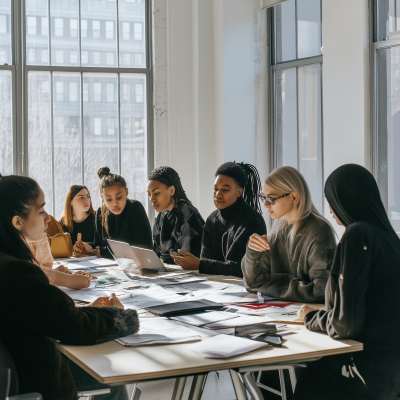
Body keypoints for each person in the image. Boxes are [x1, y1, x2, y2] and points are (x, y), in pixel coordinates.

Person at [0, 173, 139, 400]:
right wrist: (117, 316)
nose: (48, 219)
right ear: (17, 222)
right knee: (112, 376)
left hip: (20, 366)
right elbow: (72, 327)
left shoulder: (8, 261)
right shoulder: (16, 271)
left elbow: (50, 314)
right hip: (36, 376)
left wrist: (90, 311)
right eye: (42, 210)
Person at [293, 164, 400, 400]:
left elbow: (345, 325)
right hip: (393, 374)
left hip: (367, 374)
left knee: (302, 374)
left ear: (346, 199)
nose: (330, 208)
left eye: (331, 199)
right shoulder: (391, 240)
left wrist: (310, 317)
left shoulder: (357, 234)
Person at [242, 166, 336, 303]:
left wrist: (273, 284)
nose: (266, 205)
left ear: (293, 197)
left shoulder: (319, 231)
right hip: (281, 314)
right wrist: (252, 253)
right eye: (264, 198)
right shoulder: (277, 229)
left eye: (271, 199)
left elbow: (321, 291)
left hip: (307, 316)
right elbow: (252, 283)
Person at [172, 162, 266, 278]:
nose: (218, 194)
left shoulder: (251, 221)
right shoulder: (212, 219)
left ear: (239, 192)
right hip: (217, 286)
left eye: (225, 190)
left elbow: (240, 268)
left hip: (242, 287)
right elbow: (206, 260)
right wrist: (200, 264)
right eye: (215, 189)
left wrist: (199, 264)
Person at [74, 166, 153, 258]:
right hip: (110, 268)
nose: (115, 203)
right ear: (102, 198)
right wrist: (86, 247)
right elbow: (99, 245)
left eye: (119, 197)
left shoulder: (135, 208)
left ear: (126, 192)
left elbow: (143, 249)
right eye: (109, 199)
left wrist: (97, 251)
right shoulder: (100, 213)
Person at [148, 166, 205, 264]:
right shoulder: (162, 215)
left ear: (171, 191)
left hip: (193, 274)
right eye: (149, 194)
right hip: (173, 271)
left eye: (156, 193)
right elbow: (157, 253)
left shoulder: (186, 212)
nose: (152, 199)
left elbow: (187, 257)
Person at [27, 233, 94, 289]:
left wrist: (57, 275)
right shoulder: (18, 243)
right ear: (18, 221)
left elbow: (40, 268)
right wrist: (67, 279)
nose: (48, 219)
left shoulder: (40, 234)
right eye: (40, 216)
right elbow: (26, 272)